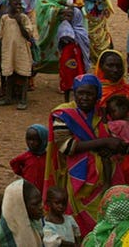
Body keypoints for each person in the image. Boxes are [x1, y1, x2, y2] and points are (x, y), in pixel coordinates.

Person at [46, 74, 122, 234]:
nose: (84, 98)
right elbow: (66, 147)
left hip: (104, 179)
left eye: (89, 94)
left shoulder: (103, 114)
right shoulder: (63, 115)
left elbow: (118, 140)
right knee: (79, 222)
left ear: (98, 95)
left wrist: (110, 143)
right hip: (77, 180)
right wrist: (104, 142)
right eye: (80, 93)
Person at [0, 0, 35, 109]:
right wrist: (0, 51)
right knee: (10, 75)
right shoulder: (4, 18)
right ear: (10, 5)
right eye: (16, 4)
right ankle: (8, 98)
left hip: (21, 50)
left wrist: (19, 23)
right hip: (8, 50)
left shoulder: (23, 18)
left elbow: (28, 36)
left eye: (20, 4)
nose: (18, 6)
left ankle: (23, 100)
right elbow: (1, 35)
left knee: (23, 74)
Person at [10, 124, 48, 195]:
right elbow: (14, 163)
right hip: (28, 188)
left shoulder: (48, 158)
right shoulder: (26, 156)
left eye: (35, 140)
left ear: (43, 140)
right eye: (28, 139)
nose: (31, 143)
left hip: (43, 187)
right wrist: (22, 173)